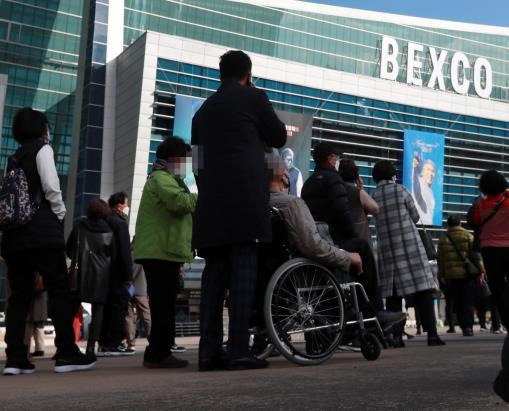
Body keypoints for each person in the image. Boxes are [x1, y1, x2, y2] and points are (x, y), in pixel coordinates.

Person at [192, 50, 286, 371]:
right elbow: (278, 135)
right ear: (248, 73)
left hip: (211, 205)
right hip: (246, 201)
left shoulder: (201, 112)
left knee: (213, 278)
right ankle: (237, 351)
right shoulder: (253, 97)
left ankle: (208, 353)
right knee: (243, 274)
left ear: (221, 74)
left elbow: (196, 164)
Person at [2, 107, 95, 375]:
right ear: (42, 129)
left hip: (14, 237)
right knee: (59, 291)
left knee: (18, 298)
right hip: (43, 234)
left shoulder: (13, 157)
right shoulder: (42, 149)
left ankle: (16, 359)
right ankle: (66, 352)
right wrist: (60, 214)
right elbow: (52, 186)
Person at [267, 154, 404, 332]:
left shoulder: (265, 202)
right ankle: (374, 314)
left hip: (286, 265)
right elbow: (314, 246)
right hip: (310, 265)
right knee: (359, 247)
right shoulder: (292, 204)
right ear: (283, 176)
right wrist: (346, 257)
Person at [134, 136, 197, 369]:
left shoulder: (163, 178)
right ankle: (158, 353)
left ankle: (158, 351)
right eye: (185, 160)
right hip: (159, 252)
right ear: (173, 159)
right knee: (163, 304)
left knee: (164, 303)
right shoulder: (162, 179)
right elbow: (180, 203)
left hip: (161, 251)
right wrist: (199, 194)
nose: (187, 165)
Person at [371, 160, 445, 347]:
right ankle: (432, 336)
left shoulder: (374, 195)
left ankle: (397, 337)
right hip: (410, 248)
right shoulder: (401, 190)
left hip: (388, 251)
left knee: (394, 297)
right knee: (423, 292)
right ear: (392, 175)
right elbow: (415, 215)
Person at [469, 170, 509, 401]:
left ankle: (506, 318)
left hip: (490, 250)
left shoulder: (479, 206)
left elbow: (474, 222)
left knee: (498, 287)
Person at [66, 198, 116, 357]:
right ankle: (91, 346)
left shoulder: (79, 226)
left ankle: (65, 344)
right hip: (101, 275)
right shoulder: (109, 231)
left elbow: (69, 249)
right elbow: (113, 256)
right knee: (98, 311)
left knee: (70, 310)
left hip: (79, 272)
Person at [97, 192, 134, 356]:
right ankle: (114, 343)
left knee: (106, 308)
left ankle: (104, 343)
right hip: (118, 273)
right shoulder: (119, 223)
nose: (127, 207)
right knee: (119, 308)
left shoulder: (103, 221)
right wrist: (129, 275)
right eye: (126, 204)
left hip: (103, 272)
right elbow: (125, 252)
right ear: (119, 205)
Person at [437, 215, 483, 337]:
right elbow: (476, 256)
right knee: (468, 301)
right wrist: (482, 270)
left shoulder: (443, 240)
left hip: (451, 276)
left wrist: (441, 275)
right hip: (467, 275)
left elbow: (440, 260)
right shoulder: (468, 236)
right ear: (460, 224)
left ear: (448, 225)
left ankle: (463, 326)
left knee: (457, 302)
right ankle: (468, 327)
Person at [301, 142, 356, 245]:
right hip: (334, 238)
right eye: (336, 157)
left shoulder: (308, 182)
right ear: (330, 158)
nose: (337, 161)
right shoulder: (334, 179)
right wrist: (353, 235)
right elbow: (343, 211)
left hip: (314, 238)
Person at [338, 158, 378, 247]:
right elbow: (375, 208)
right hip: (359, 238)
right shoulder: (357, 192)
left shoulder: (335, 190)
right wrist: (361, 188)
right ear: (356, 175)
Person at [125, 238, 151, 351]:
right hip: (141, 290)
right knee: (146, 316)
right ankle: (153, 339)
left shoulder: (128, 255)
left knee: (129, 317)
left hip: (128, 290)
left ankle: (131, 343)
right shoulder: (142, 255)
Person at [24, 273, 47, 357]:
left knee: (28, 324)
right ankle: (40, 348)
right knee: (39, 324)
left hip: (32, 291)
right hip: (40, 293)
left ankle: (26, 349)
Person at [412, 155, 436, 225]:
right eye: (428, 169)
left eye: (433, 171)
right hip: (419, 227)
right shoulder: (419, 183)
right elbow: (415, 179)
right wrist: (415, 168)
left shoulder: (430, 191)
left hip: (427, 228)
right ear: (422, 172)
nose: (431, 174)